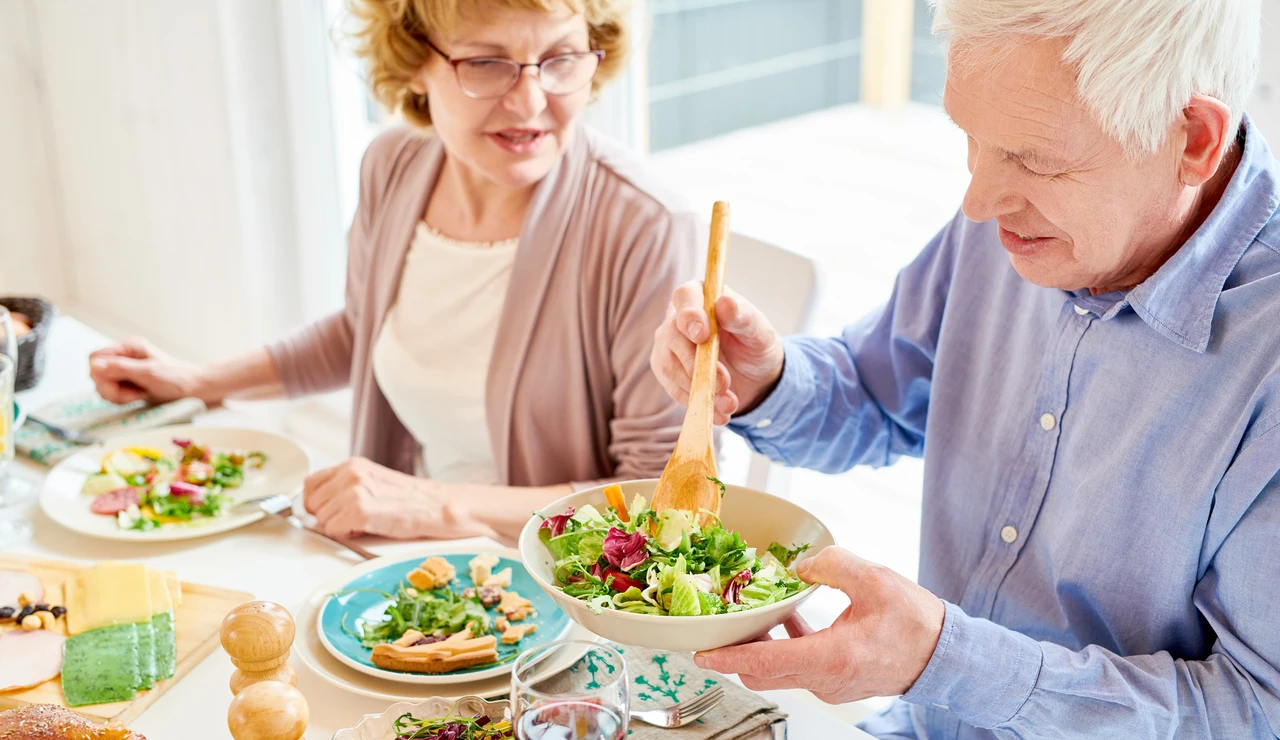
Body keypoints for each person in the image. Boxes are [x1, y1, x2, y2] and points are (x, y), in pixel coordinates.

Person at [651, 0, 1280, 737]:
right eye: (970, 139)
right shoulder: (1023, 217)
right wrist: (769, 380)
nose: (978, 203)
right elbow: (880, 394)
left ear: (1193, 140)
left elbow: (1255, 710)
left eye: (1035, 159)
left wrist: (943, 661)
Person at [89, 0, 699, 544]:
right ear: (413, 61)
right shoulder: (395, 164)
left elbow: (655, 494)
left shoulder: (644, 224)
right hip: (417, 552)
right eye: (487, 63)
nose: (531, 100)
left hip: (565, 589)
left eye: (561, 58)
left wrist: (434, 503)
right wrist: (199, 380)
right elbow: (365, 331)